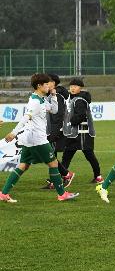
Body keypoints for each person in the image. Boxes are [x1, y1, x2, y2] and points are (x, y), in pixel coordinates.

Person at [1, 73, 79, 203]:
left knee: (23, 166)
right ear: (39, 86)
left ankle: (4, 194)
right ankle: (62, 194)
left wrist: (53, 96)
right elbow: (26, 117)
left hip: (30, 138)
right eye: (46, 84)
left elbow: (54, 110)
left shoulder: (42, 99)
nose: (49, 86)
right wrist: (13, 133)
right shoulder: (35, 102)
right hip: (37, 138)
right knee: (53, 163)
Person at [60, 78, 101, 184]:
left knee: (88, 155)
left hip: (82, 133)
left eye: (75, 86)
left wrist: (70, 122)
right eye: (71, 86)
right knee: (67, 155)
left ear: (80, 88)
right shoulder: (73, 99)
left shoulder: (79, 100)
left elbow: (81, 116)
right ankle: (64, 176)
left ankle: (98, 177)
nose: (73, 88)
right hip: (74, 134)